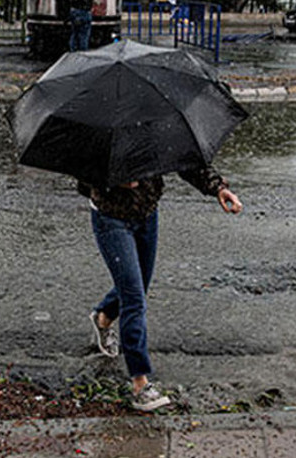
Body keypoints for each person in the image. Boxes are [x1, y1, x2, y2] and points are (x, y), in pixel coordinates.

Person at [79, 168, 243, 411]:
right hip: (110, 218)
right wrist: (112, 180)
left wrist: (218, 188)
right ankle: (139, 384)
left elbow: (185, 158)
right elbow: (82, 180)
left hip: (147, 214)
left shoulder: (151, 129)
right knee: (134, 299)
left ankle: (103, 316)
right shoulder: (96, 134)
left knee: (138, 286)